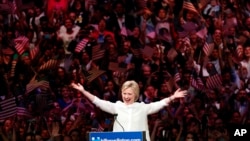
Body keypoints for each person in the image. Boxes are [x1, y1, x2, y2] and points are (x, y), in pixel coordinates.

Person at [71, 80, 187, 141]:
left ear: (135, 95)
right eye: (124, 93)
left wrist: (172, 97)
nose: (126, 96)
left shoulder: (142, 107)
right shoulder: (117, 106)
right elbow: (98, 102)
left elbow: (160, 104)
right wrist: (83, 91)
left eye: (129, 94)